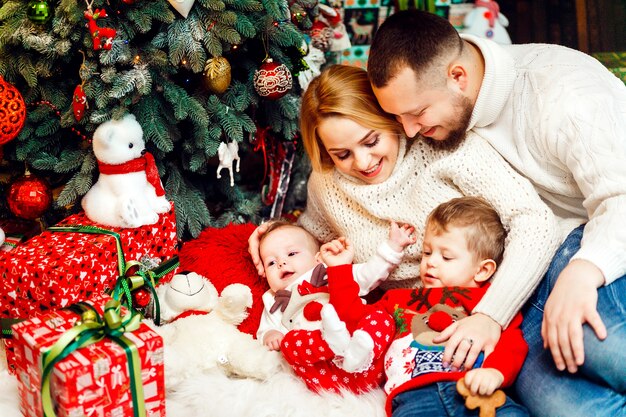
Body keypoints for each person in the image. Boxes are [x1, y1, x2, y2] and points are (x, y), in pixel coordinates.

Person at [367, 10, 626, 416]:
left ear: (458, 76)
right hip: (524, 280)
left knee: (606, 348)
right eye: (397, 118)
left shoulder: (561, 89)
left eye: (417, 113)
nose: (411, 130)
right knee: (567, 407)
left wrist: (583, 270)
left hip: (592, 242)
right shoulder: (447, 115)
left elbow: (621, 195)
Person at [248, 63, 559, 389]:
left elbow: (534, 222)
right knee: (562, 403)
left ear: (391, 121)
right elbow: (313, 240)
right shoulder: (326, 185)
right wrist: (270, 234)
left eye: (371, 141)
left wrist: (491, 314)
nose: (363, 163)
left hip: (524, 287)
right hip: (435, 323)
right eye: (342, 154)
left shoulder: (446, 149)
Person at [323, 196, 529, 417]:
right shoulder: (396, 300)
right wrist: (339, 270)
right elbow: (354, 320)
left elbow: (512, 342)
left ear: (482, 270)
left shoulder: (489, 302)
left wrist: (495, 372)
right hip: (414, 397)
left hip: (477, 392)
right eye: (427, 253)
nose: (431, 262)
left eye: (446, 257)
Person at [256, 220, 414, 393]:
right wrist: (270, 335)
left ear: (318, 258)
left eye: (292, 253)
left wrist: (393, 246)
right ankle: (332, 342)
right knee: (289, 344)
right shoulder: (272, 299)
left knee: (381, 316)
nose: (281, 263)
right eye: (271, 262)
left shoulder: (331, 269)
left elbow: (370, 274)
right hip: (327, 372)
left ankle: (358, 351)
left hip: (369, 362)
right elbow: (266, 329)